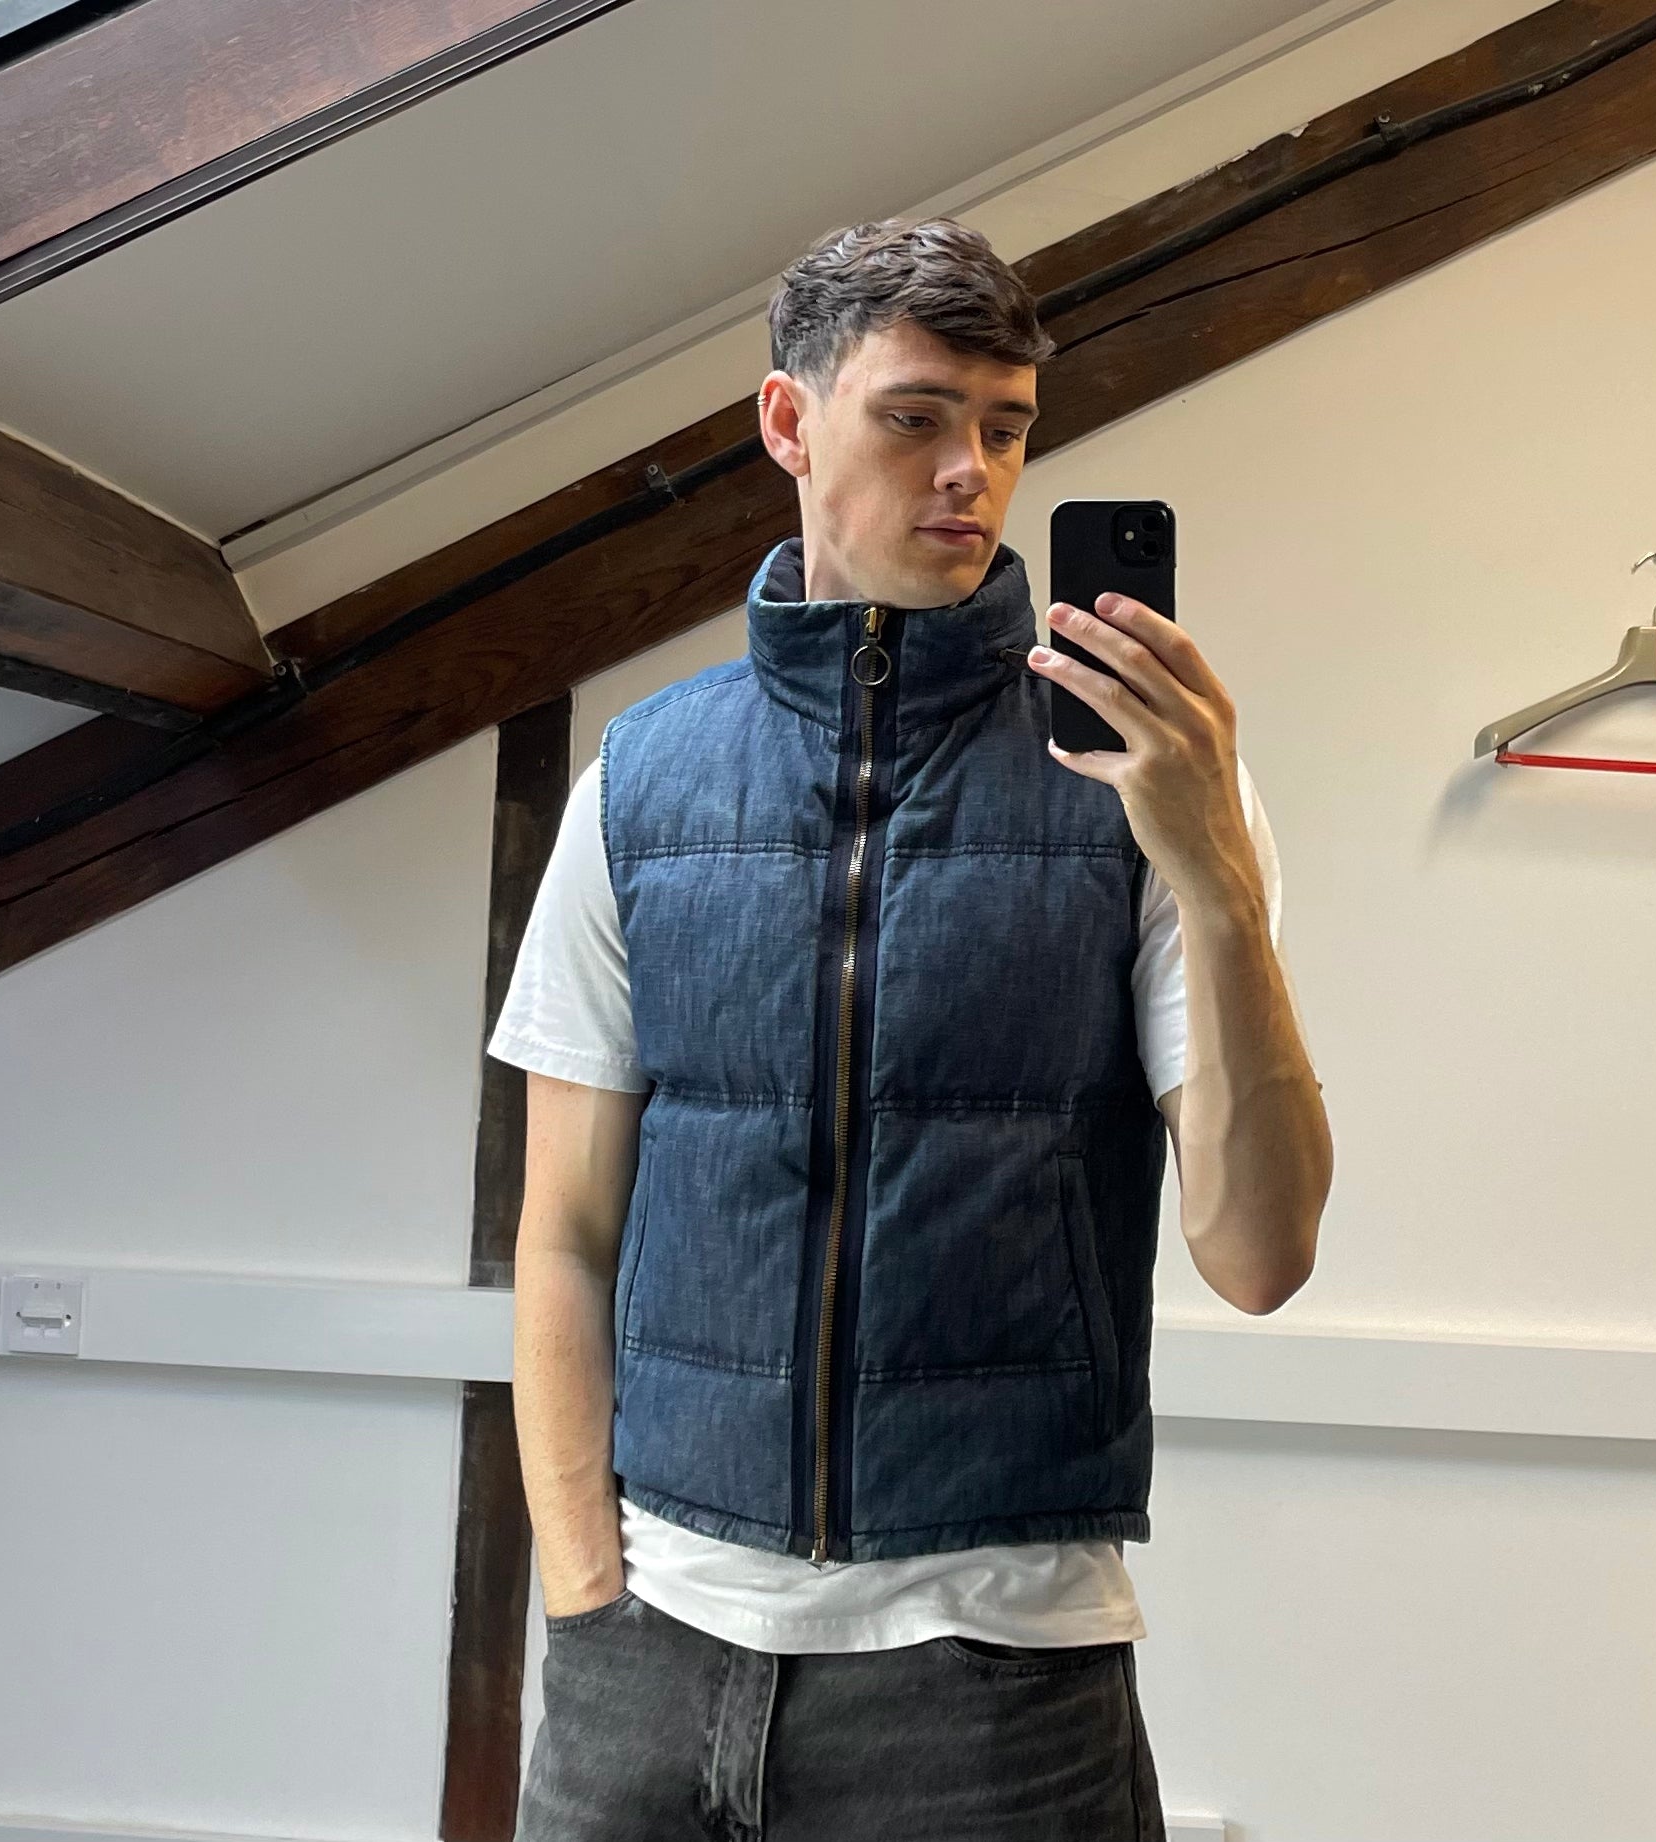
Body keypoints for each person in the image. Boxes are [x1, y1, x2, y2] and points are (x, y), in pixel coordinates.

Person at [487, 214, 1331, 1841]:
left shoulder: (1142, 794)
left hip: (991, 1684)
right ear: (788, 422)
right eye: (916, 416)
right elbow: (563, 1237)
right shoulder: (638, 785)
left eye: (1004, 428)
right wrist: (588, 1600)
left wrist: (1214, 873)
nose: (971, 472)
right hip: (644, 1665)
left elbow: (1258, 1252)